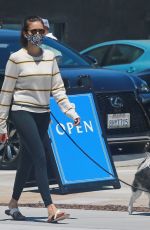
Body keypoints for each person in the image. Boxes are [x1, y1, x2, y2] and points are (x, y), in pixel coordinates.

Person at [0, 16, 80, 223]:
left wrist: (71, 113)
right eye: (33, 32)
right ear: (26, 34)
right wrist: (2, 125)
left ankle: (13, 204)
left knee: (26, 160)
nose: (38, 35)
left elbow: (58, 89)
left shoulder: (50, 58)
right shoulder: (16, 58)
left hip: (42, 114)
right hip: (21, 111)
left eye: (41, 32)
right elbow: (6, 93)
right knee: (39, 155)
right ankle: (50, 207)